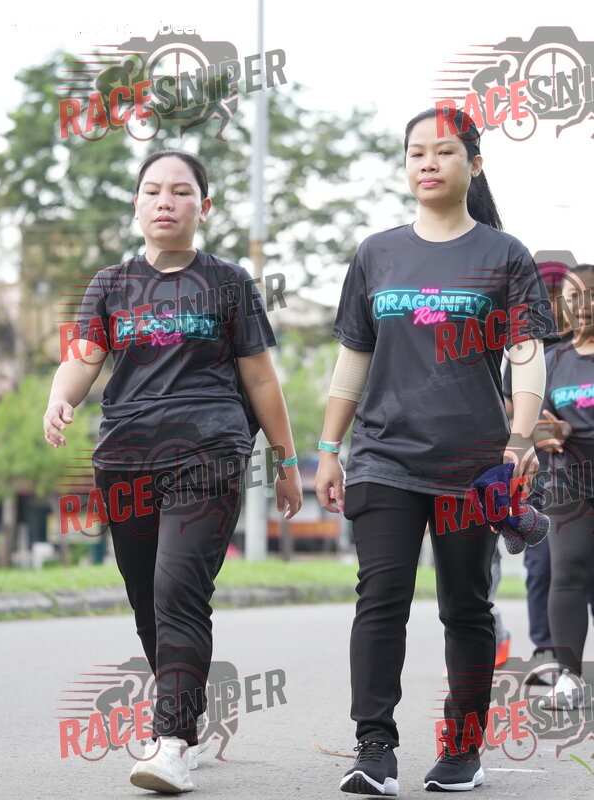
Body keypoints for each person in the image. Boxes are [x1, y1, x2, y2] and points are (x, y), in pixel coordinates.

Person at [314, 107, 559, 795]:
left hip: (472, 463)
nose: (428, 162)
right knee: (380, 598)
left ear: (473, 165)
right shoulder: (377, 253)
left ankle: (462, 749)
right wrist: (329, 447)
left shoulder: (503, 254)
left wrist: (519, 438)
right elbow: (354, 357)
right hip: (383, 456)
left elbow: (526, 354)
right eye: (416, 151)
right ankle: (374, 749)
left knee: (466, 606)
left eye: (444, 151)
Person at [43, 150, 302, 794]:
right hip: (126, 458)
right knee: (147, 598)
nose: (166, 201)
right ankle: (182, 716)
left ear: (202, 207)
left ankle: (173, 742)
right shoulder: (111, 284)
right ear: (136, 203)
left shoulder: (229, 282)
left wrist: (286, 460)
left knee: (178, 587)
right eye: (153, 190)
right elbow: (84, 356)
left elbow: (260, 378)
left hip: (209, 451)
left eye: (181, 191)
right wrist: (60, 397)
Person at [534, 265, 594, 708]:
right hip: (568, 482)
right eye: (573, 298)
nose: (583, 305)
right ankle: (569, 679)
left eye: (591, 294)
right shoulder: (552, 359)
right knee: (567, 573)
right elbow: (530, 422)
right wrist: (543, 433)